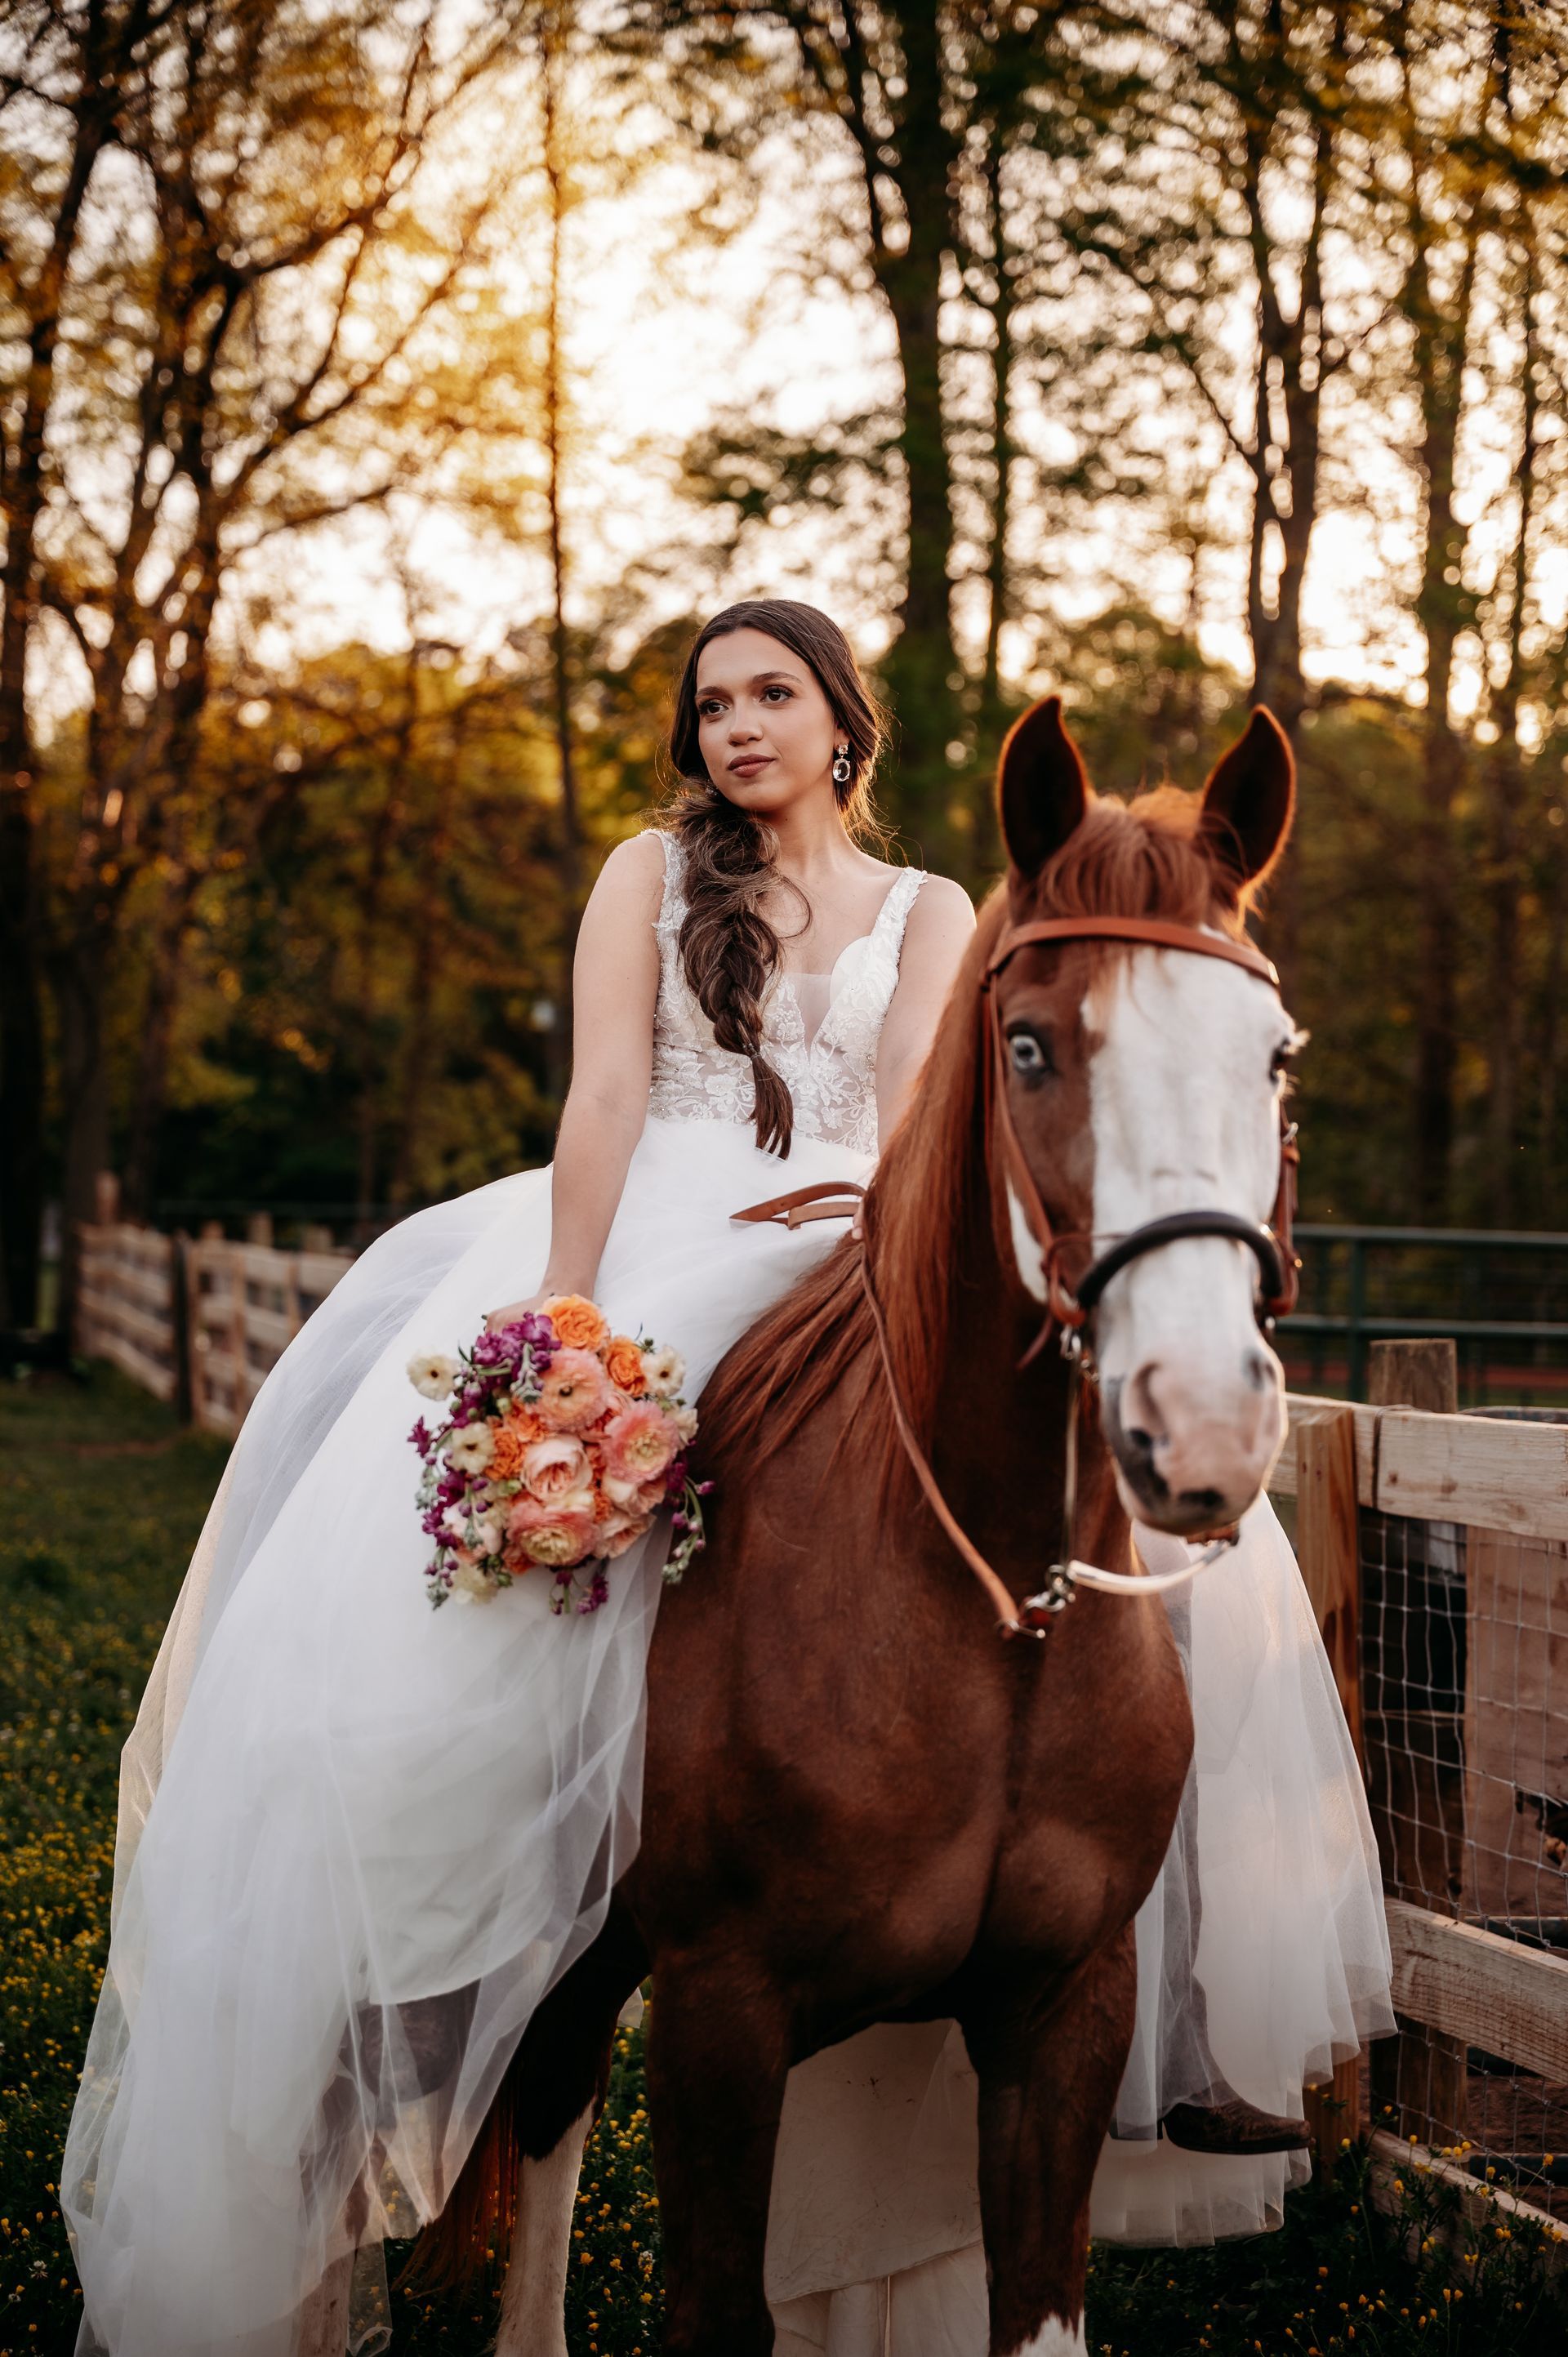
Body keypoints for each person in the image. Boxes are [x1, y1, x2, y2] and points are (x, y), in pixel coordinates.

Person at [63, 597, 1391, 2357]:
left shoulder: (931, 911)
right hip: (671, 1230)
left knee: (1147, 1554)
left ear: (846, 725)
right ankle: (484, 1881)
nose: (738, 728)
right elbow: (606, 1096)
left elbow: (933, 1105)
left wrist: (866, 1222)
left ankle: (1189, 1979)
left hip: (865, 1231)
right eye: (712, 706)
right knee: (510, 1582)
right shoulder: (649, 878)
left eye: (774, 696)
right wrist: (569, 1314)